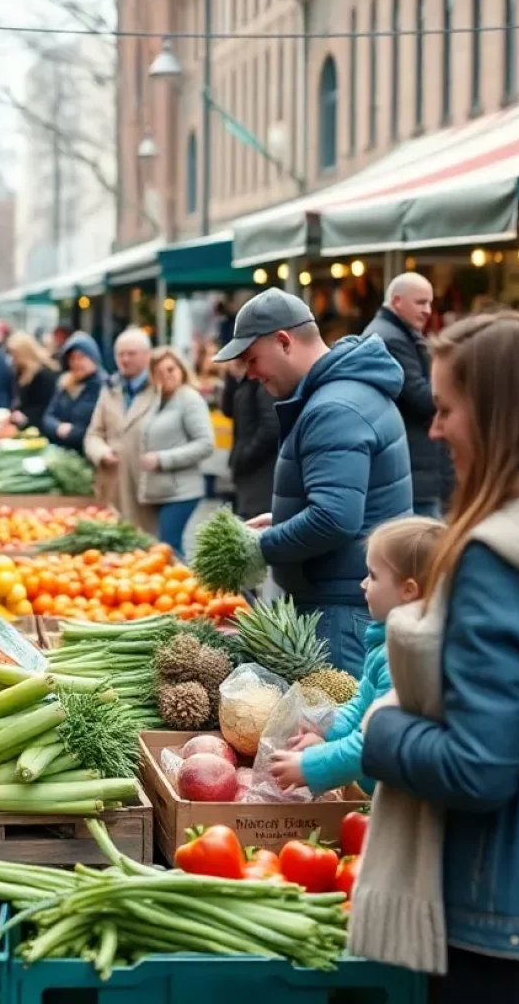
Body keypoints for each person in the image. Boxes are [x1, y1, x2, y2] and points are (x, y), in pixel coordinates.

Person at [353, 311, 519, 999]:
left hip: (507, 917)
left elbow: (478, 769)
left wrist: (382, 729)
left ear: (501, 417)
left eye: (448, 409)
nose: (435, 428)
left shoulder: (496, 559)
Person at [214, 287, 412, 677]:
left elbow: (335, 517)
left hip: (340, 611)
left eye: (252, 359)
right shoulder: (340, 394)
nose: (250, 375)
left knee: (331, 726)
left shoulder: (334, 408)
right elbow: (341, 499)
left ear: (284, 341)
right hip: (346, 600)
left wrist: (261, 546)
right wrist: (284, 518)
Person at [268, 515, 444, 796]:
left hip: (397, 795)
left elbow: (375, 740)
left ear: (409, 590)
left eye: (373, 576)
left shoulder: (406, 658)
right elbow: (361, 703)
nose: (363, 584)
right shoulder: (387, 640)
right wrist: (325, 729)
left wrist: (312, 766)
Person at [364, 273, 449, 517]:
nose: (428, 310)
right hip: (412, 467)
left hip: (411, 465)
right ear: (397, 301)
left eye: (430, 303)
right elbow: (422, 398)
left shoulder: (394, 333)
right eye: (420, 302)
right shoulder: (392, 338)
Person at [138, 348, 215, 557]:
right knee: (167, 549)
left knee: (168, 549)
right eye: (159, 372)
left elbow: (206, 444)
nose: (167, 376)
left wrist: (163, 459)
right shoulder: (158, 401)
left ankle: (188, 587)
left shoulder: (189, 399)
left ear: (181, 369)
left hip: (182, 490)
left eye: (171, 369)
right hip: (160, 491)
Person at [83, 327, 159, 533]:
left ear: (147, 355)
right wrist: (101, 452)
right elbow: (93, 433)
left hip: (146, 482)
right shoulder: (109, 388)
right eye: (120, 354)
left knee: (150, 542)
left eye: (131, 354)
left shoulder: (160, 388)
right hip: (113, 479)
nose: (125, 359)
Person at [221, 358, 279, 520]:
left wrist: (244, 456)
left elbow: (271, 427)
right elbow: (227, 410)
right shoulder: (246, 381)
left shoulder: (262, 381)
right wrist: (231, 378)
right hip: (248, 473)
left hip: (261, 474)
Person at [42, 331, 105, 455]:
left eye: (81, 357)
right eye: (72, 358)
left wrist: (74, 432)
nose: (76, 363)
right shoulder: (64, 384)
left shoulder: (104, 387)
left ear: (93, 358)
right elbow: (48, 416)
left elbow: (101, 428)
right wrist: (57, 427)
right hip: (60, 453)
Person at [7, 331, 59, 431]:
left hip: (39, 427)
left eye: (14, 354)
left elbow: (47, 406)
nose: (12, 358)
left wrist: (26, 416)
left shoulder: (45, 375)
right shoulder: (19, 371)